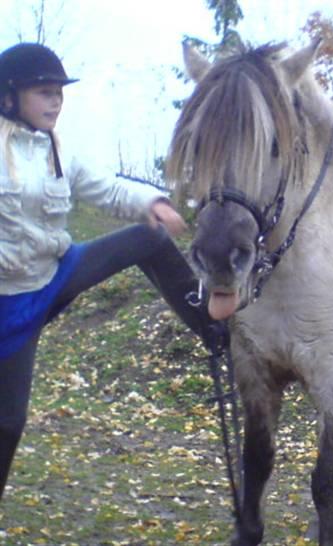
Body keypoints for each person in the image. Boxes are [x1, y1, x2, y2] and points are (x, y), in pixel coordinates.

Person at [0, 42, 224, 502]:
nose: (56, 101)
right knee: (7, 422)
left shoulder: (58, 152)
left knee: (151, 238)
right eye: (44, 92)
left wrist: (154, 202)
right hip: (7, 298)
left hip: (55, 274)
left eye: (59, 93)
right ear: (8, 96)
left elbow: (108, 189)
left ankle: (219, 335)